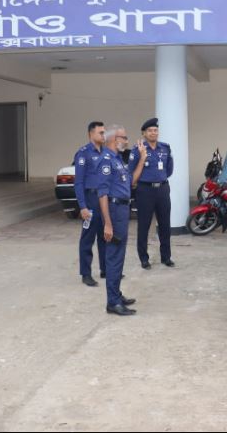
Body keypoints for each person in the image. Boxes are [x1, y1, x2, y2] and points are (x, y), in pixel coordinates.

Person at [97, 126, 138, 316]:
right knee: (114, 256)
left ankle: (116, 294)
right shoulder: (105, 161)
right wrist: (107, 223)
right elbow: (102, 194)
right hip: (113, 210)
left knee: (119, 254)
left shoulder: (117, 159)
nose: (127, 141)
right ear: (114, 139)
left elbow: (130, 182)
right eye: (124, 137)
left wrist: (142, 159)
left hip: (122, 209)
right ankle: (112, 303)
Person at [129, 118, 175, 270]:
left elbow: (169, 170)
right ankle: (144, 258)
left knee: (165, 225)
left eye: (155, 130)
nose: (153, 133)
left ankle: (166, 257)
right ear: (144, 133)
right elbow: (131, 173)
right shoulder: (137, 149)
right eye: (150, 130)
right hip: (145, 190)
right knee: (144, 225)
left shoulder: (165, 148)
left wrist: (160, 178)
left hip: (162, 189)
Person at [74, 121, 107, 287]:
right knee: (87, 238)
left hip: (105, 199)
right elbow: (78, 182)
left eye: (104, 132)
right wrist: (83, 206)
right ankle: (86, 274)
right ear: (91, 134)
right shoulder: (83, 153)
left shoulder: (106, 152)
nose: (103, 135)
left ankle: (105, 269)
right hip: (91, 199)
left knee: (105, 235)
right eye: (100, 132)